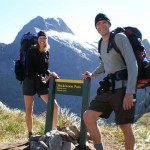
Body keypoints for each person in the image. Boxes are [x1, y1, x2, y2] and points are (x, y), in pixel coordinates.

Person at [82, 13, 138, 150]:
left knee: (125, 127)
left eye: (104, 22)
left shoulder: (119, 37)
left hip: (124, 89)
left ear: (109, 24)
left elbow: (133, 65)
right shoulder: (101, 43)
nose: (101, 26)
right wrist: (92, 75)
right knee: (88, 116)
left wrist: (130, 92)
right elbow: (104, 64)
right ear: (96, 28)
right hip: (109, 88)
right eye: (98, 24)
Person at [22, 31, 59, 139]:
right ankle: (30, 134)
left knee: (55, 107)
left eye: (44, 38)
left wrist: (51, 74)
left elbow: (45, 69)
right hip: (29, 82)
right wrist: (41, 78)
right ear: (37, 40)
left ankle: (54, 132)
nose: (42, 40)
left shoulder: (46, 52)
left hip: (41, 82)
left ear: (46, 40)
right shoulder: (31, 51)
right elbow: (29, 70)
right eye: (40, 38)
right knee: (29, 109)